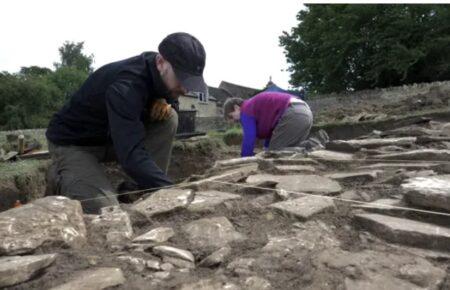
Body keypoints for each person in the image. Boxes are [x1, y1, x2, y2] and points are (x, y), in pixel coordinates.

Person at [45, 32, 207, 214]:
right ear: (161, 62)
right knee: (106, 211)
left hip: (113, 138)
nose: (185, 89)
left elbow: (171, 99)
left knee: (169, 117)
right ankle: (62, 176)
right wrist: (172, 190)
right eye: (181, 79)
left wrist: (167, 101)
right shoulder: (126, 86)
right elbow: (129, 154)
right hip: (74, 144)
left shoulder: (160, 76)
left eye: (190, 81)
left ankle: (138, 190)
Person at [223, 91, 313, 157]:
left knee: (274, 153)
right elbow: (272, 132)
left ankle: (311, 147)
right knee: (288, 148)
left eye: (231, 116)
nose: (233, 120)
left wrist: (244, 159)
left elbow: (249, 137)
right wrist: (266, 148)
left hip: (293, 113)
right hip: (305, 112)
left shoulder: (246, 109)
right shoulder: (254, 106)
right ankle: (311, 147)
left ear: (236, 108)